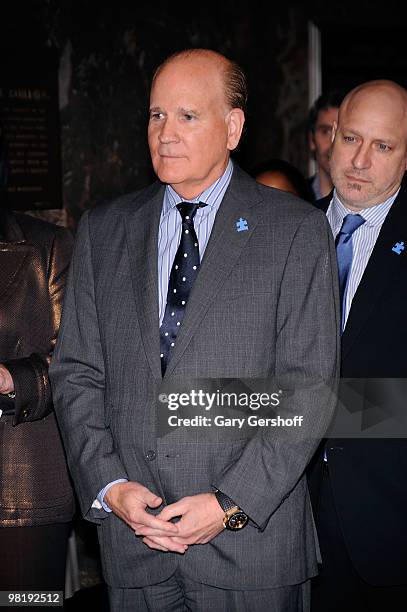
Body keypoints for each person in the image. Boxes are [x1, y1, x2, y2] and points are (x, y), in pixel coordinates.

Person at [50, 48, 339, 612]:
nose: (165, 133)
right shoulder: (106, 230)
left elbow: (308, 390)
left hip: (250, 550)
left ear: (233, 127)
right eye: (157, 116)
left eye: (188, 116)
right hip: (136, 547)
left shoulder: (293, 231)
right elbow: (77, 371)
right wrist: (111, 487)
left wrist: (229, 504)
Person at [308, 80, 407, 611]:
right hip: (285, 522)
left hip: (390, 524)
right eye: (350, 138)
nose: (360, 160)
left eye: (384, 146)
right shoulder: (282, 231)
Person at [0, 206, 75, 592]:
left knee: (29, 603)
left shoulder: (46, 246)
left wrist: (12, 378)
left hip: (20, 487)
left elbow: (79, 363)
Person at [307, 91, 344, 201]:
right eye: (326, 131)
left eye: (343, 133)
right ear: (311, 140)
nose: (333, 143)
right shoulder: (294, 197)